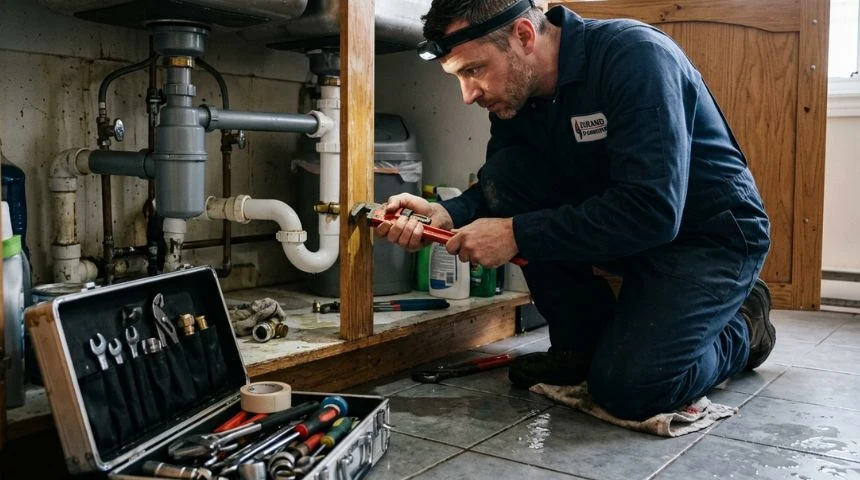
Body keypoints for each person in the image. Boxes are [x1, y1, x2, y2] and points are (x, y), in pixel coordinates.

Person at [374, 0, 775, 421]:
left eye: (474, 70)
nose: (468, 94)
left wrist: (515, 234)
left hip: (707, 237)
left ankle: (745, 326)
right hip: (626, 230)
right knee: (508, 174)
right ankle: (578, 346)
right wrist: (448, 213)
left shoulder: (634, 56)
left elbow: (653, 209)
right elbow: (506, 181)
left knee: (631, 388)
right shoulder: (518, 94)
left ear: (524, 36)